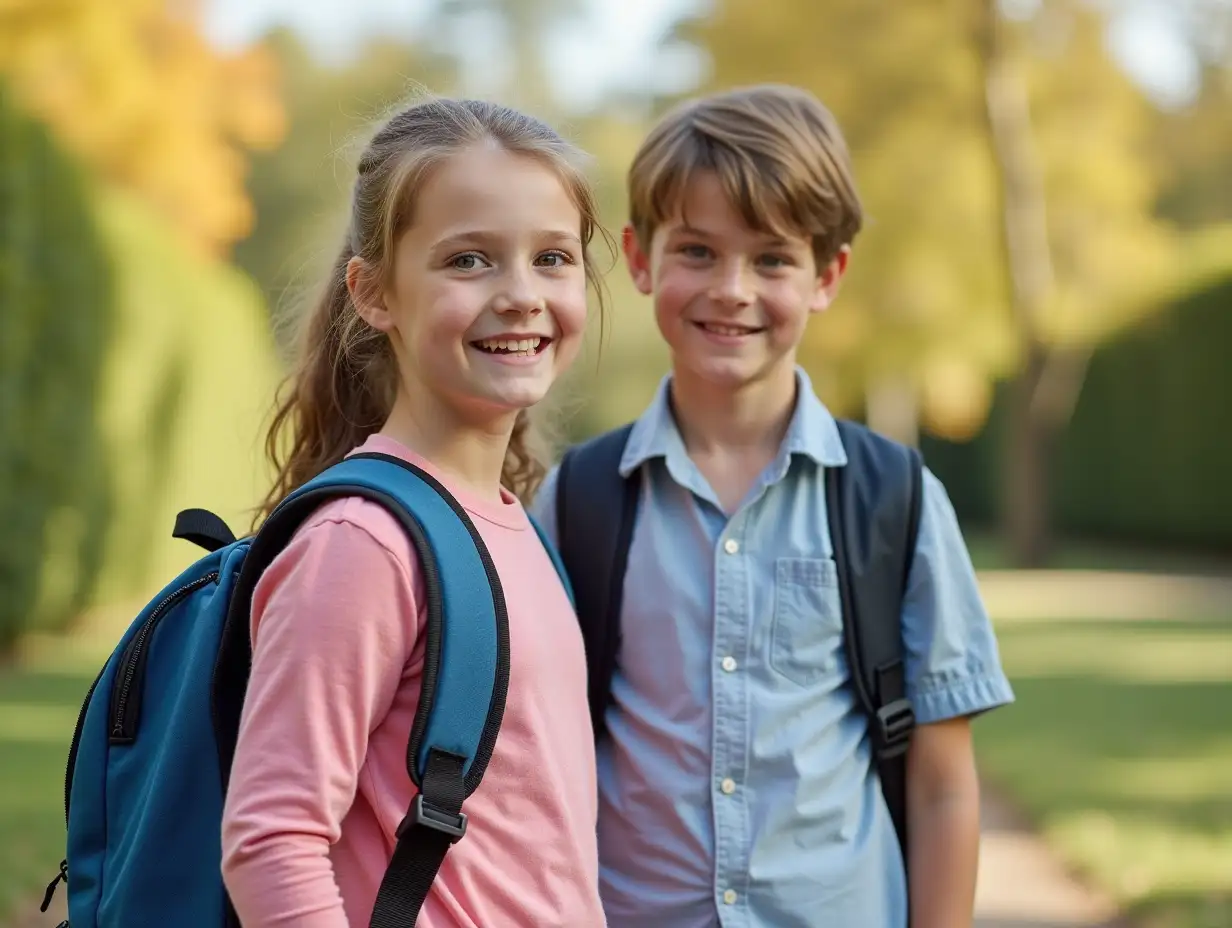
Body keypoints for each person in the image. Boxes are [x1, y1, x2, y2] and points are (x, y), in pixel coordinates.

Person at [531, 84, 1015, 928]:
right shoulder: (578, 501)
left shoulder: (893, 500)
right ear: (640, 258)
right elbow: (532, 766)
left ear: (827, 275)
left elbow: (943, 785)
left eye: (772, 260)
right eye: (697, 252)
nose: (732, 289)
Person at [220, 96, 609, 928]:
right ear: (374, 293)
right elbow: (272, 841)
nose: (520, 295)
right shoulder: (361, 545)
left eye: (552, 257)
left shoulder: (511, 525)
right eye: (468, 261)